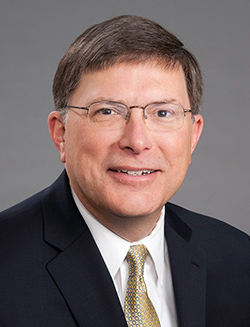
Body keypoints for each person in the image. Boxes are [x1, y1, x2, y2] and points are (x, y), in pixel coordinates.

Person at [0, 15, 249, 327]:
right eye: (107, 111)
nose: (137, 141)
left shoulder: (239, 258)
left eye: (162, 112)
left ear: (193, 135)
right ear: (61, 134)